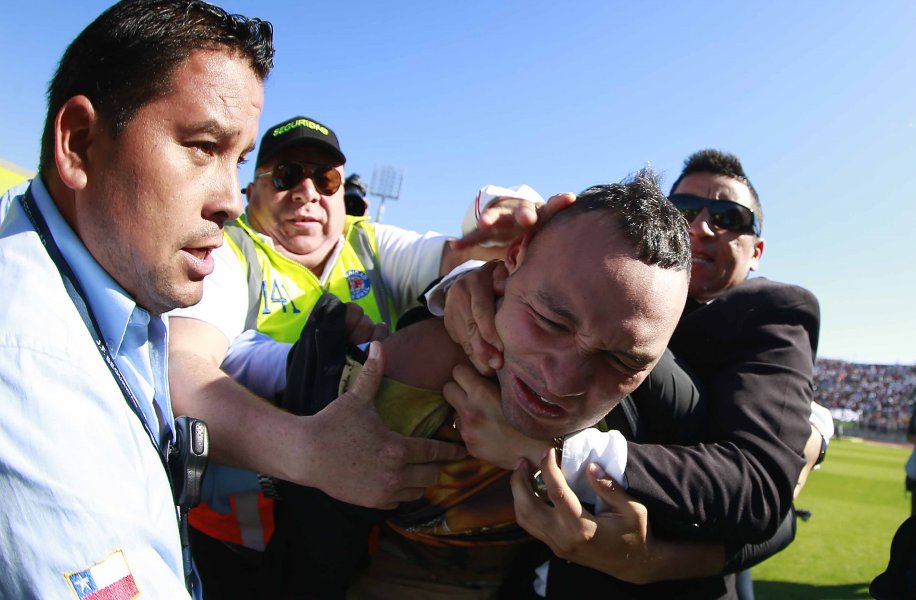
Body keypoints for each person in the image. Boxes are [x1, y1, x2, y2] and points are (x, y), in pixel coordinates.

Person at [265, 173, 744, 598]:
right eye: (551, 322)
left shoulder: (656, 386)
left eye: (620, 360)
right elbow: (312, 559)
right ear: (511, 260)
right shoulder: (407, 373)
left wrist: (648, 561)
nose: (563, 382)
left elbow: (764, 514)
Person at [167, 114, 542, 595]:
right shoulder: (231, 250)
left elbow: (466, 254)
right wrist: (318, 395)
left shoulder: (368, 240)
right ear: (251, 192)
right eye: (286, 176)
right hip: (246, 547)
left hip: (371, 539)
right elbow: (181, 372)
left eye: (325, 179)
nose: (307, 192)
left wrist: (497, 222)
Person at [442, 150, 821, 598]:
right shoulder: (563, 284)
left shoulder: (768, 314)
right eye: (682, 211)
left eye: (729, 217)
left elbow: (762, 495)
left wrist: (556, 454)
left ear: (756, 251)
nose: (698, 227)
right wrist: (469, 281)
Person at [0, 1, 274, 597]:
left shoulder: (105, 280)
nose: (232, 199)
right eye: (203, 145)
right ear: (79, 143)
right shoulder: (31, 364)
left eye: (240, 160)